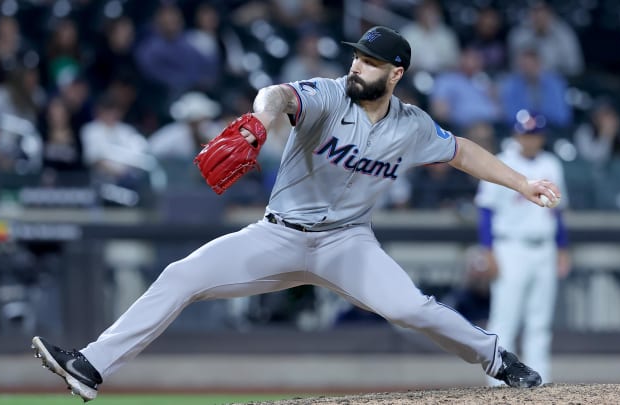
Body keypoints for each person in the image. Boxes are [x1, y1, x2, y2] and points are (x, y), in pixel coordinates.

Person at [31, 26, 559, 401]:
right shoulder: (329, 96)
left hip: (347, 243)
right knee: (180, 275)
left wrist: (521, 182)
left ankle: (497, 360)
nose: (357, 65)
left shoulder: (412, 125)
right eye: (356, 56)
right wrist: (257, 122)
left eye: (371, 62)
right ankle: (90, 365)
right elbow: (277, 94)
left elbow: (463, 151)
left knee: (412, 309)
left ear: (396, 73)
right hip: (278, 235)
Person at [474, 110, 571, 385]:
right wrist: (488, 251)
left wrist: (563, 248)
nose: (530, 140)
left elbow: (558, 212)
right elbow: (485, 211)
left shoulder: (551, 164)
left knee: (539, 321)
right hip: (510, 248)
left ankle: (540, 382)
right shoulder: (500, 163)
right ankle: (497, 383)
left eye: (535, 134)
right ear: (516, 135)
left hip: (545, 248)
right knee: (505, 319)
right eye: (526, 134)